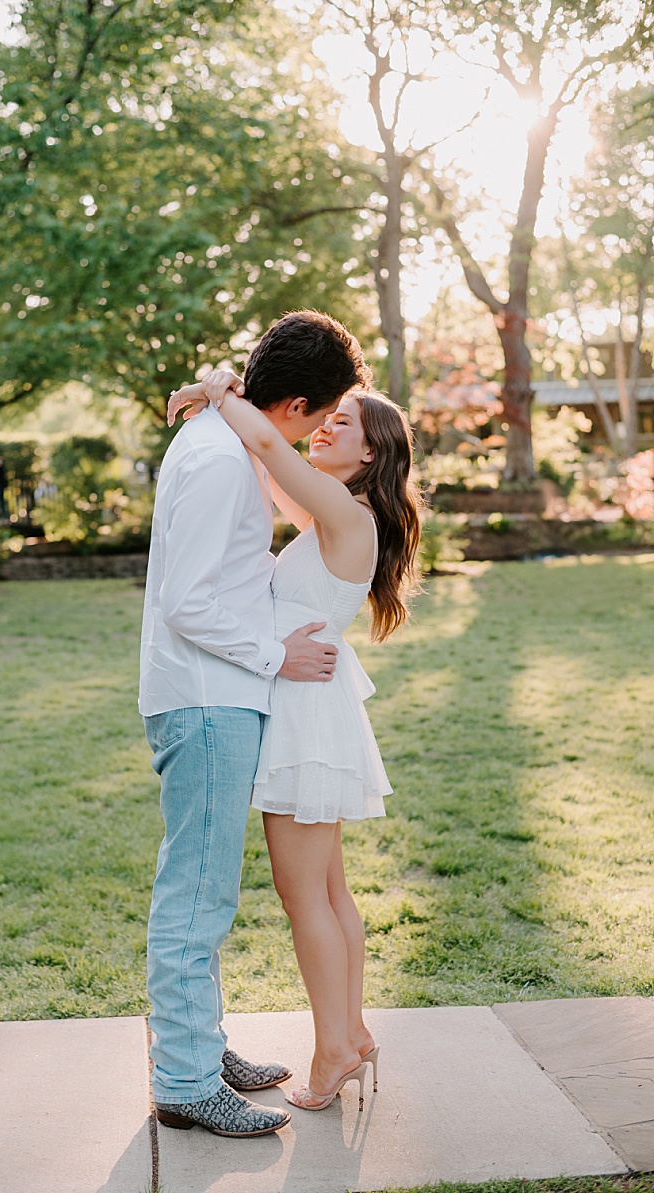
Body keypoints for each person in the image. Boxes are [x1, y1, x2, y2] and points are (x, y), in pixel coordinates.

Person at [134, 309, 367, 1137]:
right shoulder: (219, 459)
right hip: (208, 695)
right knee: (196, 893)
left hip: (216, 692)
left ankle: (199, 1045)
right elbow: (189, 602)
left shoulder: (227, 445)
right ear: (299, 403)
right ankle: (187, 1078)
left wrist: (218, 384)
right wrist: (277, 654)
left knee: (206, 887)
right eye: (326, 412)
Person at [165, 370, 421, 1118]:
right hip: (315, 707)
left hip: (309, 715)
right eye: (330, 418)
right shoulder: (333, 512)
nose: (328, 429)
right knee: (331, 892)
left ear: (372, 455)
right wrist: (229, 400)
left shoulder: (342, 510)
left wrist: (219, 390)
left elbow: (270, 445)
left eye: (347, 424)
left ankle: (332, 1050)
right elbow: (273, 463)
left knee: (304, 893)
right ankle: (351, 1031)